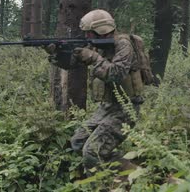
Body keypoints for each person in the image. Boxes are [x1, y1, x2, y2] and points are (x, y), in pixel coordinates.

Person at [46, 9, 145, 169]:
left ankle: (134, 176)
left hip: (126, 109)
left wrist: (92, 57)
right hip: (106, 107)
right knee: (78, 142)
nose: (86, 37)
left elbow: (116, 74)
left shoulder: (123, 45)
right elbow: (71, 63)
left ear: (100, 31)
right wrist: (56, 53)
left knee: (92, 152)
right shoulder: (97, 46)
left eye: (89, 33)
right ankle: (112, 170)